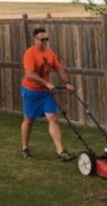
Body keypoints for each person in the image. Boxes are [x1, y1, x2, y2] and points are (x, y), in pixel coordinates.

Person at [20, 26, 75, 161]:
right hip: (31, 91)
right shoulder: (30, 53)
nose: (45, 41)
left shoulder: (50, 53)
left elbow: (59, 68)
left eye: (47, 39)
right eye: (42, 39)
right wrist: (46, 83)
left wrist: (67, 82)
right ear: (35, 39)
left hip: (45, 93)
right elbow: (29, 74)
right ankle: (25, 148)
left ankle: (60, 151)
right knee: (29, 120)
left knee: (53, 118)